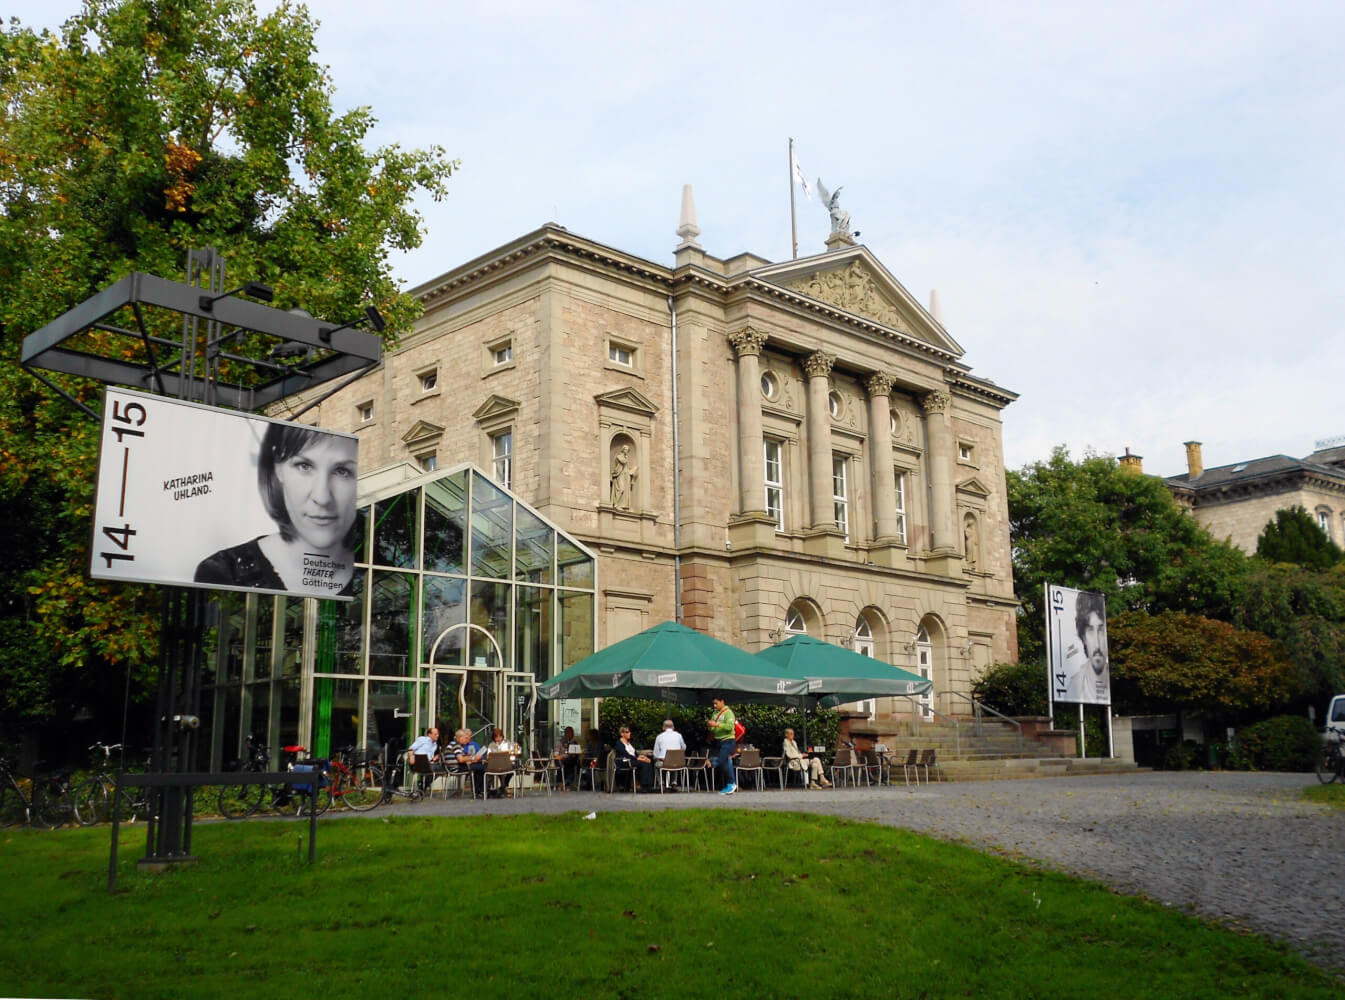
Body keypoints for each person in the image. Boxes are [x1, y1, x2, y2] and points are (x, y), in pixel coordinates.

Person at [194, 422, 358, 597]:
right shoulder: (223, 572)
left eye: (342, 471)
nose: (322, 497)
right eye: (304, 466)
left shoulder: (373, 568)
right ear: (278, 469)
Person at [1065, 592, 1110, 704]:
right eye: (1090, 630)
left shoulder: (1113, 680)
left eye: (1100, 630)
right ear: (1083, 637)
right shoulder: (1075, 687)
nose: (1097, 644)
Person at [707, 696, 737, 795]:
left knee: (722, 760)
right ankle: (730, 785)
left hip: (728, 740)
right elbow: (713, 730)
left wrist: (717, 725)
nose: (714, 706)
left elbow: (729, 727)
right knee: (726, 761)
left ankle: (731, 783)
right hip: (719, 741)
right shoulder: (715, 713)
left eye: (716, 703)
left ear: (722, 701)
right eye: (713, 704)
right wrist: (711, 726)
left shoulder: (729, 713)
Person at [446, 727, 487, 798]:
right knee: (482, 768)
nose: (466, 740)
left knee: (478, 767)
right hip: (456, 768)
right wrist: (473, 758)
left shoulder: (454, 744)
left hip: (456, 766)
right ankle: (480, 791)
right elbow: (461, 759)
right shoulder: (456, 745)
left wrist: (471, 759)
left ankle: (478, 791)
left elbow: (464, 757)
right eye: (465, 738)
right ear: (460, 738)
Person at [612, 726, 654, 792]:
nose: (629, 733)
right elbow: (625, 754)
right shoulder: (619, 743)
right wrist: (638, 758)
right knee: (643, 764)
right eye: (627, 732)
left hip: (632, 760)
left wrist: (643, 757)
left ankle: (649, 785)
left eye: (629, 732)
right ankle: (644, 786)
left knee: (648, 762)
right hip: (624, 761)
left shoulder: (629, 743)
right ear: (622, 734)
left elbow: (635, 753)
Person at [652, 718, 687, 791]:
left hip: (664, 763)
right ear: (673, 727)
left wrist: (657, 758)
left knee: (656, 765)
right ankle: (674, 783)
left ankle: (662, 784)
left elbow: (655, 753)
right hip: (678, 763)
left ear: (663, 727)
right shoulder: (679, 735)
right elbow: (684, 748)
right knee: (675, 763)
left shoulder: (659, 737)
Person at [485, 727, 516, 798]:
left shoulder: (507, 743)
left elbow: (512, 753)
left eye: (500, 737)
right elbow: (488, 756)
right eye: (496, 737)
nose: (498, 739)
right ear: (494, 738)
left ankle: (503, 786)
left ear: (502, 736)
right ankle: (501, 788)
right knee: (491, 771)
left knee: (512, 769)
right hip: (495, 765)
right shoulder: (491, 745)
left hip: (506, 764)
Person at [408, 725, 441, 793]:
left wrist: (434, 758)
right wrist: (411, 759)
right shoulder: (423, 739)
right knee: (438, 768)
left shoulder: (435, 744)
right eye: (435, 734)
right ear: (429, 734)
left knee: (439, 769)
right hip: (418, 763)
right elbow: (411, 749)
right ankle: (423, 785)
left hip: (427, 763)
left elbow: (429, 756)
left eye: (438, 734)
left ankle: (423, 785)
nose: (437, 735)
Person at [553, 726, 580, 790]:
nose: (572, 735)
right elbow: (556, 755)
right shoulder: (559, 742)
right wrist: (563, 756)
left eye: (572, 733)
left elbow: (577, 753)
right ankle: (566, 783)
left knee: (574, 762)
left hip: (570, 760)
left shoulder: (574, 742)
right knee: (567, 763)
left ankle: (567, 783)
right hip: (561, 761)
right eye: (570, 733)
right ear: (566, 733)